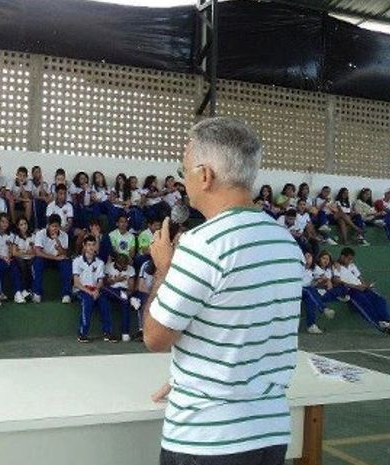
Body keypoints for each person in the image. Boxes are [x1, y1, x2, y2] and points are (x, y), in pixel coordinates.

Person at [143, 117, 303, 465]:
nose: (183, 180)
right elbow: (245, 327)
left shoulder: (204, 244)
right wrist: (196, 375)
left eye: (184, 170)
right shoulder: (286, 243)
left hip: (206, 439)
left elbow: (155, 337)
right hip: (269, 434)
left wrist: (164, 270)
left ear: (205, 175)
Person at [334, 247, 390, 333]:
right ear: (342, 257)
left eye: (351, 259)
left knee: (380, 299)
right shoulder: (336, 266)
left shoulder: (352, 265)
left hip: (361, 288)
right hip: (351, 290)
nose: (350, 261)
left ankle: (387, 321)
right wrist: (355, 287)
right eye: (348, 259)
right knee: (365, 304)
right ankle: (379, 325)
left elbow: (359, 277)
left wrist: (365, 285)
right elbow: (337, 281)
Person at [72, 235, 117, 343]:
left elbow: (100, 281)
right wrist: (90, 292)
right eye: (89, 245)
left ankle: (108, 333)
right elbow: (76, 283)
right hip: (81, 290)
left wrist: (96, 290)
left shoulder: (100, 262)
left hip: (95, 289)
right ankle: (82, 333)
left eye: (93, 245)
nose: (91, 247)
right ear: (84, 246)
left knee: (104, 303)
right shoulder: (77, 261)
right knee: (87, 302)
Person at [32, 213, 72, 304]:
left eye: (57, 226)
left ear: (59, 226)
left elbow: (64, 254)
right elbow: (38, 252)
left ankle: (66, 294)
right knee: (37, 263)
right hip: (45, 257)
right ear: (48, 225)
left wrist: (57, 240)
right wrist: (54, 258)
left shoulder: (64, 235)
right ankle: (37, 293)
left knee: (66, 263)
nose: (54, 228)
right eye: (52, 226)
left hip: (58, 258)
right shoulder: (40, 233)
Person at [0, 213, 21, 306]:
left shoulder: (11, 235)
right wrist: (2, 257)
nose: (4, 224)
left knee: (15, 268)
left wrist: (9, 257)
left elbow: (11, 248)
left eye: (7, 222)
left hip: (8, 258)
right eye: (2, 222)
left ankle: (17, 292)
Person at [102, 253, 136, 342]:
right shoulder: (109, 267)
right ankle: (107, 332)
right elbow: (105, 283)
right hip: (111, 291)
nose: (124, 268)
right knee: (104, 292)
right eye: (122, 266)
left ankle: (125, 333)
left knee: (125, 303)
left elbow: (131, 287)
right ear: (116, 263)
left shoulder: (130, 269)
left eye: (125, 266)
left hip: (125, 291)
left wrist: (128, 294)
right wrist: (116, 280)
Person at [301, 252, 336, 335]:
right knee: (309, 291)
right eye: (305, 256)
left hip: (308, 291)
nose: (307, 259)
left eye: (309, 256)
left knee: (311, 300)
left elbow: (324, 278)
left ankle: (311, 326)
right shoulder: (298, 266)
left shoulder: (315, 268)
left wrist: (321, 280)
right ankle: (324, 309)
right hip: (296, 289)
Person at [11, 216, 35, 303]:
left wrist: (22, 252)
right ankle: (24, 289)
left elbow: (34, 251)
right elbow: (14, 253)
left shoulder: (33, 236)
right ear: (18, 226)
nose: (24, 226)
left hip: (30, 258)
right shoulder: (16, 237)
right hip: (20, 258)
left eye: (25, 224)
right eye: (21, 224)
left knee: (30, 264)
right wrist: (25, 253)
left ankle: (29, 290)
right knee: (23, 264)